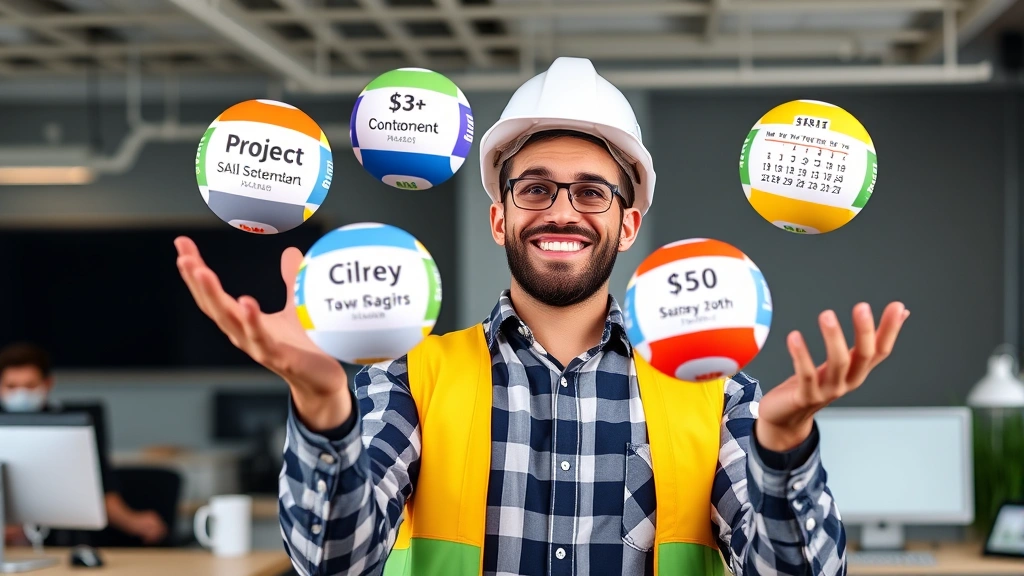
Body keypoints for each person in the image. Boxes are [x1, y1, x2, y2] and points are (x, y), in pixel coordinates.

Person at [175, 57, 908, 575]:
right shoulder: (405, 379)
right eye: (536, 189)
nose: (562, 209)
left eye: (592, 192)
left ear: (627, 225)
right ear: (499, 217)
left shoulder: (721, 394)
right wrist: (321, 401)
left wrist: (784, 449)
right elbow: (332, 565)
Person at [0, 342, 169, 546]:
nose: (21, 394)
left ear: (47, 384)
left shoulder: (74, 424)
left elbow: (100, 486)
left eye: (29, 386)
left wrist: (133, 521)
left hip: (63, 542)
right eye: (12, 386)